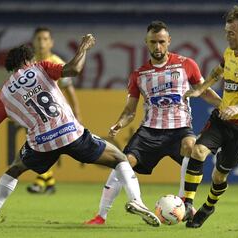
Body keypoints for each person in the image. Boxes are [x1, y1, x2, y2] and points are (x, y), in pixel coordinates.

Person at [0, 35, 161, 228]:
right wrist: (83, 47)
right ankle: (136, 201)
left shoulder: (3, 95)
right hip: (70, 133)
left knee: (14, 170)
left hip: (41, 144)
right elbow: (74, 69)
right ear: (28, 60)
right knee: (119, 159)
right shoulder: (41, 67)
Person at [85, 21, 221, 225]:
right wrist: (120, 123)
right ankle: (101, 216)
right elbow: (130, 111)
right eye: (153, 42)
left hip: (180, 129)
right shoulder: (138, 75)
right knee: (122, 163)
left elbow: (204, 92)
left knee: (191, 147)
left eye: (161, 42)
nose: (157, 47)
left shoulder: (186, 65)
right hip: (150, 131)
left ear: (169, 42)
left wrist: (224, 105)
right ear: (146, 43)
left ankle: (185, 203)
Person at [182, 6, 238, 228]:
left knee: (219, 176)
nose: (227, 36)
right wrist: (202, 88)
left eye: (231, 32)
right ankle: (188, 205)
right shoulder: (230, 53)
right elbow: (218, 71)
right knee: (198, 151)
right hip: (222, 119)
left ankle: (208, 207)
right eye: (226, 31)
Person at [26, 27, 82, 194]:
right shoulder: (29, 63)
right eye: (38, 39)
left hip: (54, 114)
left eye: (45, 39)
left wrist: (77, 114)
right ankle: (48, 182)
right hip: (35, 114)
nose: (42, 43)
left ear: (51, 42)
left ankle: (41, 181)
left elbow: (69, 89)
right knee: (42, 147)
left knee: (42, 147)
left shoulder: (57, 62)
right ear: (33, 42)